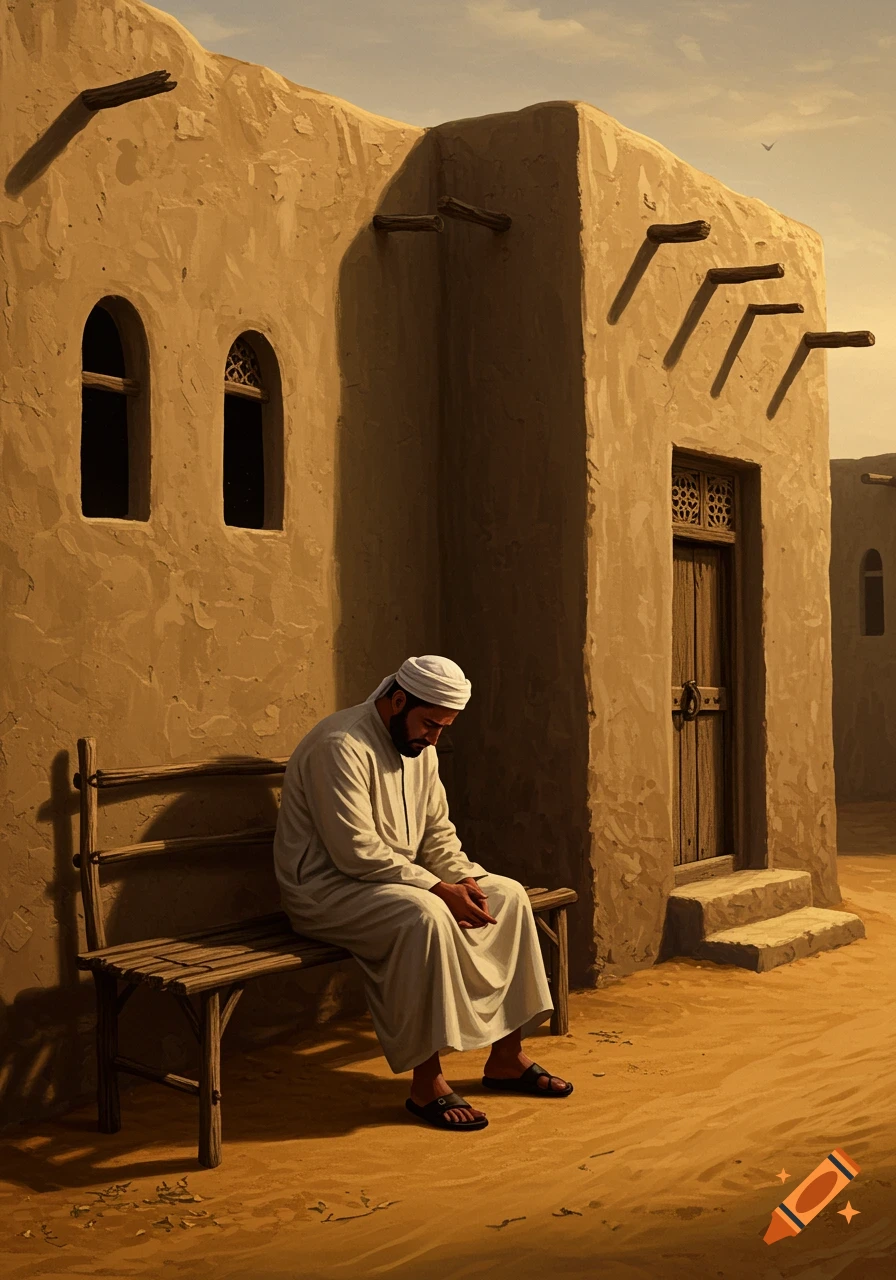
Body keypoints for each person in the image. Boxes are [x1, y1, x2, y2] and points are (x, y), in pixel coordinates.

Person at [273, 654, 573, 1131]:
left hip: (398, 883)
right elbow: (354, 851)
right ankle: (425, 1082)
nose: (435, 738)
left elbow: (438, 835)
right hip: (328, 890)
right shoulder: (340, 745)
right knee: (425, 916)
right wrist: (438, 887)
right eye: (430, 724)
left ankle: (506, 1057)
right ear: (397, 701)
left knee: (509, 896)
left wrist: (465, 881)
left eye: (443, 728)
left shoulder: (420, 748)